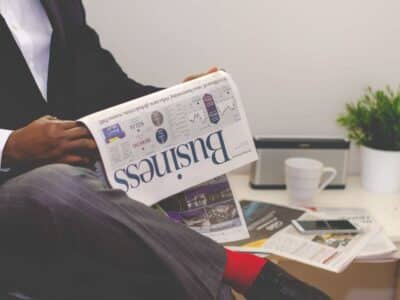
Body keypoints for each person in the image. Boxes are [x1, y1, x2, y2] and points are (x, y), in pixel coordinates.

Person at [0, 1, 331, 299]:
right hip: (29, 195)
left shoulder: (61, 5)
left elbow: (106, 90)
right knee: (56, 184)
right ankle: (252, 273)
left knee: (173, 271)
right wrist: (10, 146)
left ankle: (244, 281)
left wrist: (178, 101)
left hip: (82, 205)